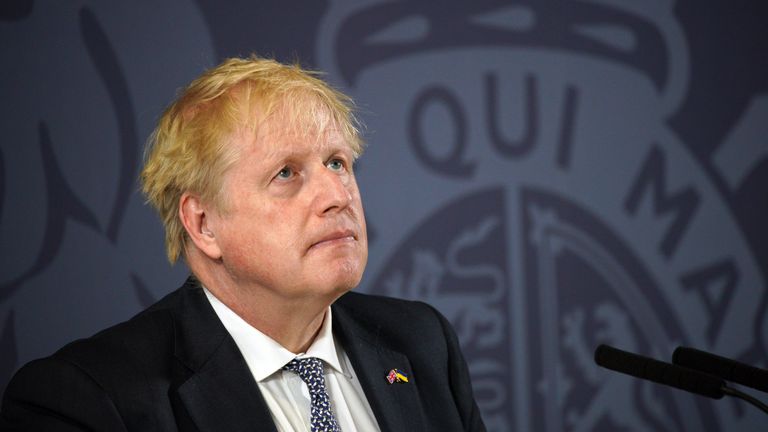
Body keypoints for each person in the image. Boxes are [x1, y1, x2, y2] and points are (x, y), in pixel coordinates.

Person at [0, 55, 486, 431]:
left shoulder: (423, 344)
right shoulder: (91, 400)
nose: (338, 196)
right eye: (286, 173)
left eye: (337, 163)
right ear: (204, 224)